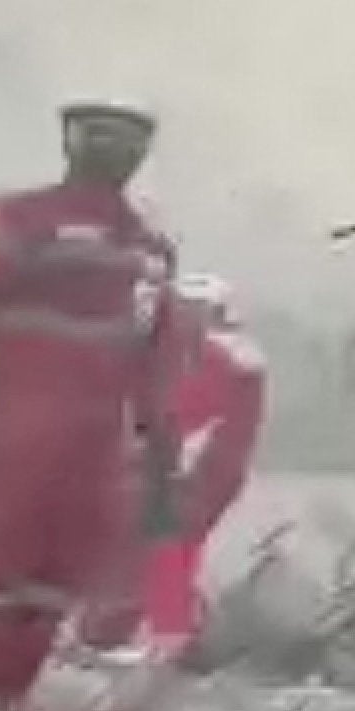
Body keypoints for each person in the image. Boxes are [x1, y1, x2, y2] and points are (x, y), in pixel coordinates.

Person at [0, 100, 180, 711]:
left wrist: (160, 462)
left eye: (128, 137)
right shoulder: (13, 220)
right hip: (8, 439)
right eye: (98, 133)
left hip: (92, 453)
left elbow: (155, 367)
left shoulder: (151, 249)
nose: (112, 147)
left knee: (55, 588)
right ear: (69, 139)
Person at [138, 274, 269, 658]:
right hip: (222, 469)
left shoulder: (212, 355)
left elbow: (184, 413)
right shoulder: (244, 354)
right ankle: (185, 628)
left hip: (194, 467)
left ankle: (169, 637)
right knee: (184, 547)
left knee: (164, 545)